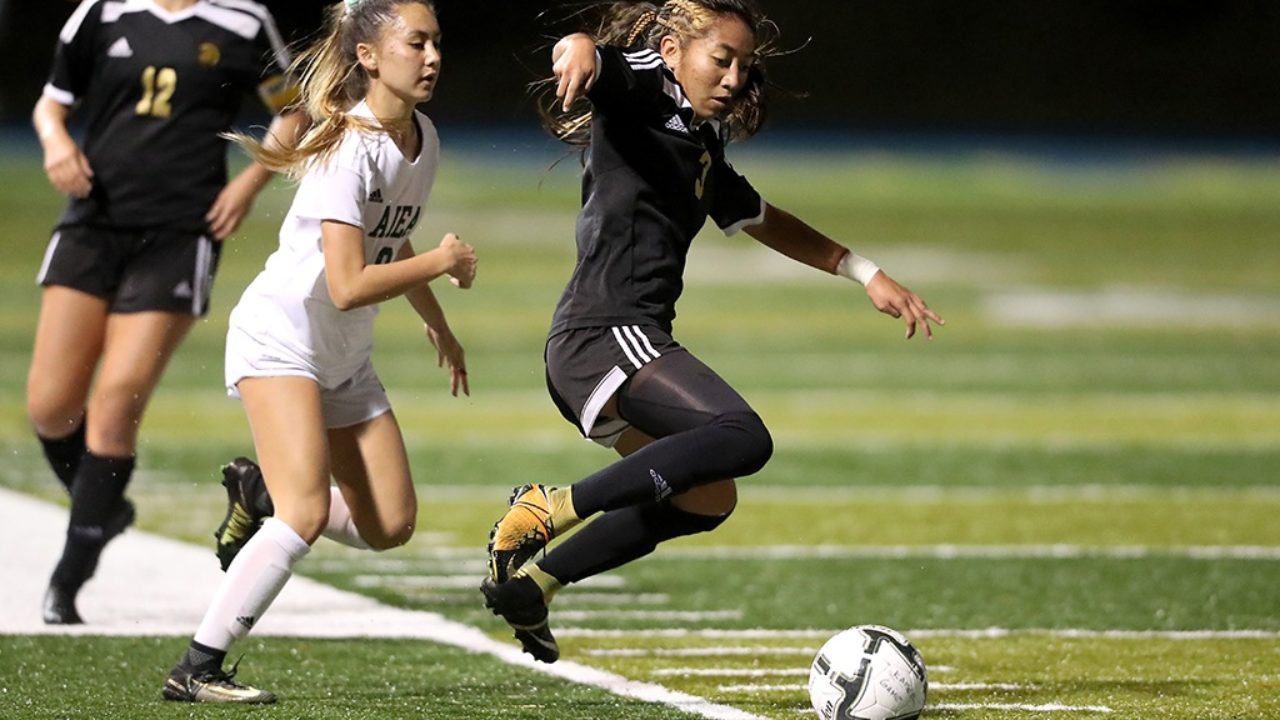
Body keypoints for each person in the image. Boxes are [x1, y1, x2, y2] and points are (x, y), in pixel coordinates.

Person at [482, 0, 943, 663]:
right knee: (742, 436)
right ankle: (551, 504)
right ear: (673, 51)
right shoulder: (647, 84)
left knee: (706, 497)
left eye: (743, 66)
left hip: (605, 347)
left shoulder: (696, 139)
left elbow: (756, 213)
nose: (733, 78)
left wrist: (862, 271)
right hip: (606, 334)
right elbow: (600, 60)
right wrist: (577, 46)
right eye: (720, 59)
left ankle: (538, 584)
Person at [162, 0, 475, 703]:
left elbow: (386, 245)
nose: (432, 57)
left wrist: (439, 324)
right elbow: (345, 284)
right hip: (281, 342)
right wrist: (440, 263)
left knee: (390, 525)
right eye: (416, 43)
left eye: (436, 43)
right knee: (304, 517)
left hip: (341, 357)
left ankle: (264, 492)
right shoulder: (345, 147)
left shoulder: (422, 135)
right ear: (369, 56)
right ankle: (197, 667)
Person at [30, 0, 308, 625]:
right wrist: (54, 142)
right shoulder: (98, 14)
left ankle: (67, 580)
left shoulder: (242, 20)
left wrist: (248, 182)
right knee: (50, 407)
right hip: (92, 223)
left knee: (115, 399)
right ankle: (101, 505)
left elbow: (293, 111)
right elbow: (53, 102)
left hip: (181, 233)